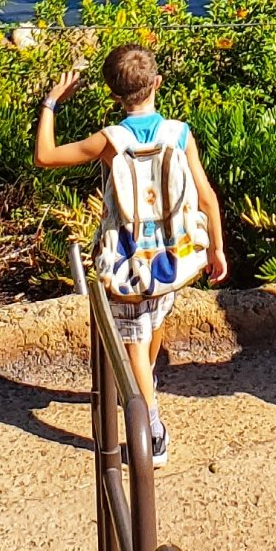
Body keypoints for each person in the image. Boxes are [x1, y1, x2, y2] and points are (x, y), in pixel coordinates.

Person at [35, 44, 227, 467]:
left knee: (135, 344)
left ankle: (151, 433)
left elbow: (45, 156)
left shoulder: (109, 140)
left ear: (113, 94)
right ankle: (145, 390)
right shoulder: (180, 134)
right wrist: (216, 247)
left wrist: (51, 102)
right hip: (173, 255)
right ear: (157, 83)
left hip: (126, 259)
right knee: (152, 327)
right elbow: (207, 197)